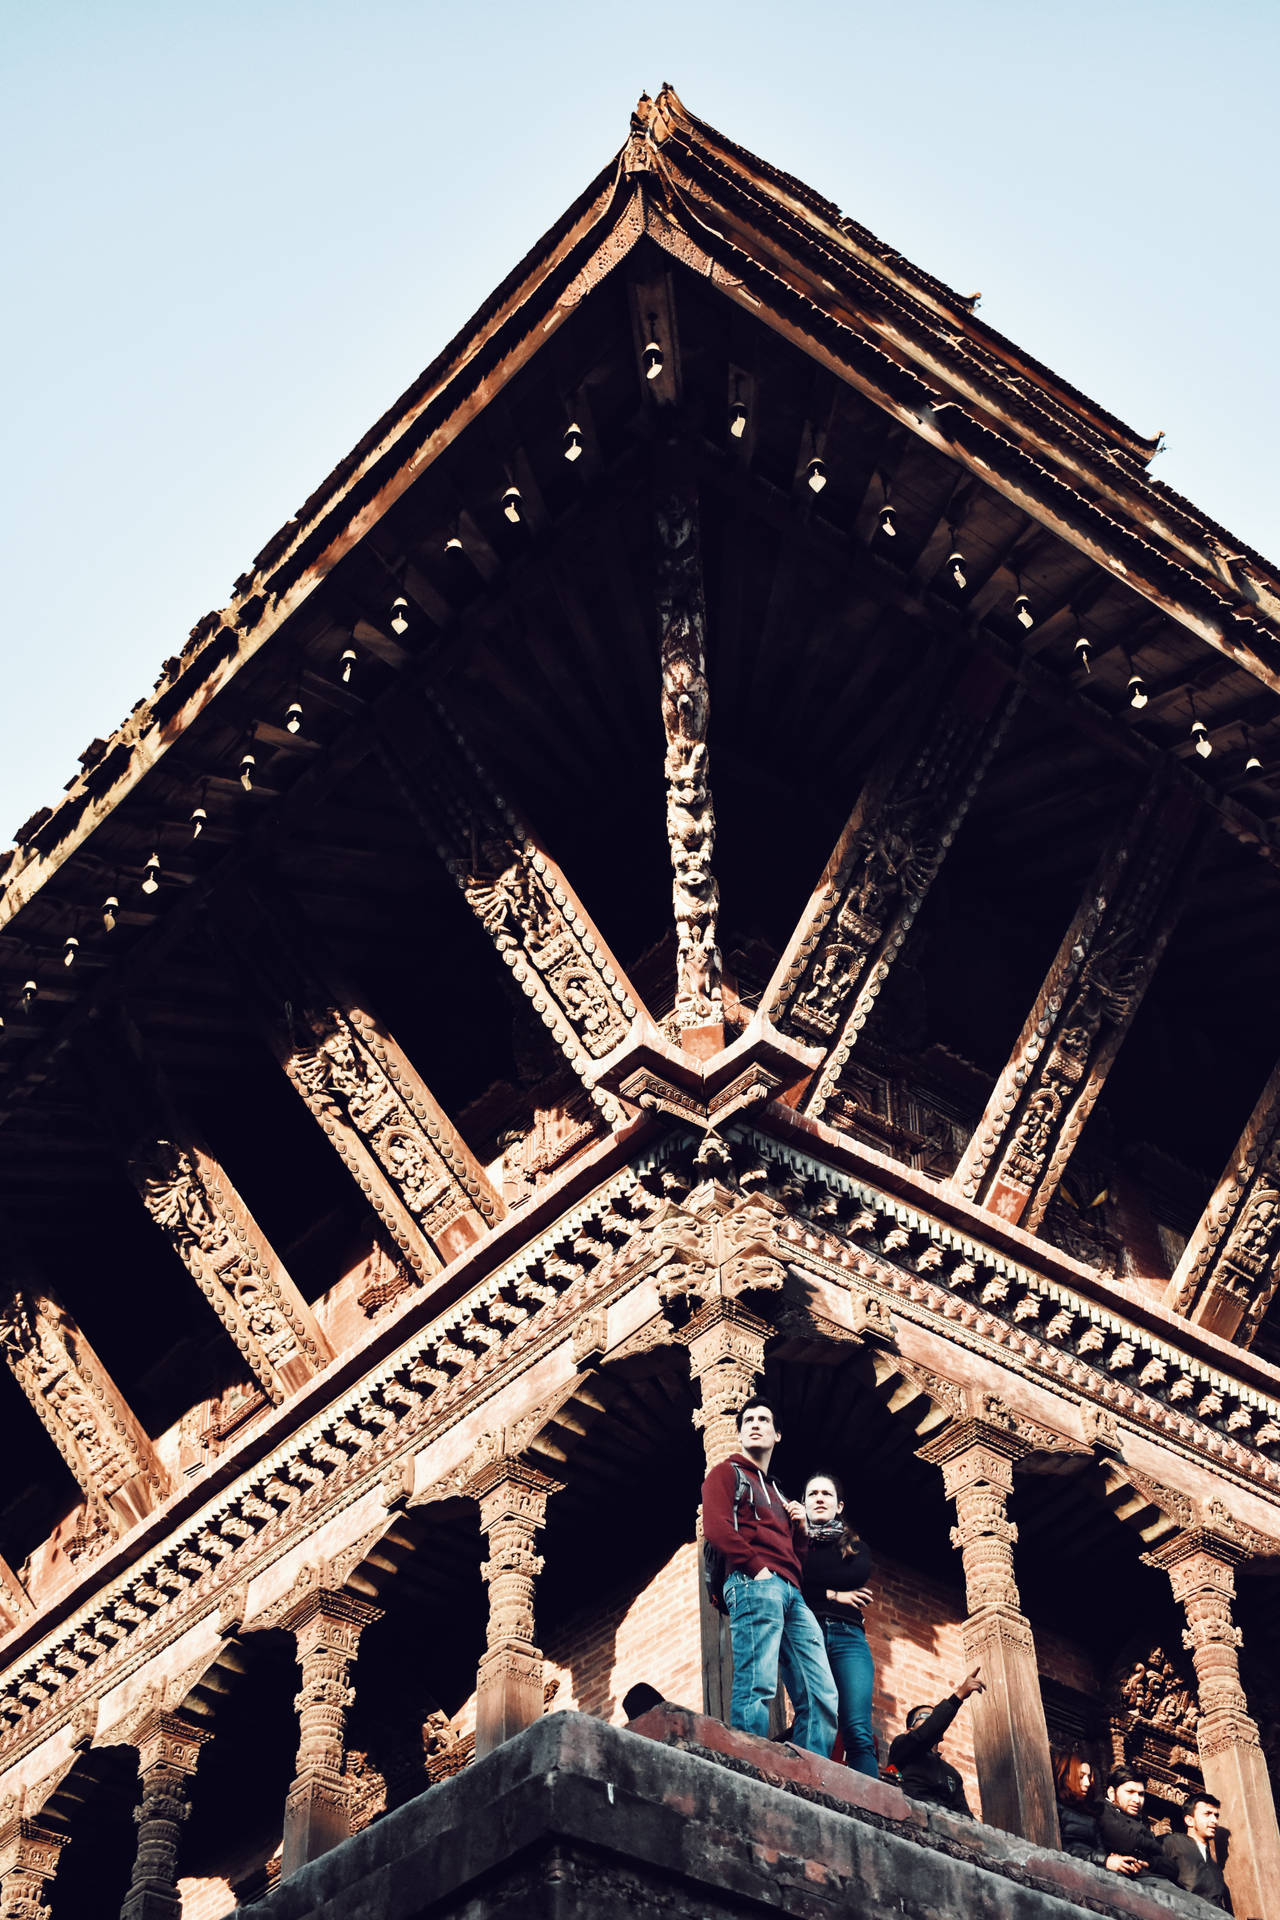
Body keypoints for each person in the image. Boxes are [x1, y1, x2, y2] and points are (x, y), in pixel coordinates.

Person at [701, 1398, 838, 1758]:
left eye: (764, 1419)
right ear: (741, 1433)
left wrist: (801, 1530)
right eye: (748, 1420)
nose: (755, 1424)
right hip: (753, 1583)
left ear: (777, 1434)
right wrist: (756, 1568)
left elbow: (797, 1559)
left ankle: (812, 1773)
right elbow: (715, 1529)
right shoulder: (726, 1473)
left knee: (822, 1691)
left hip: (791, 1591)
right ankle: (751, 1762)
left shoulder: (780, 1493)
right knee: (757, 1682)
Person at [800, 1472, 878, 1777]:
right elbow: (793, 1580)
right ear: (803, 1504)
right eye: (812, 1494)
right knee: (816, 1716)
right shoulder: (794, 1544)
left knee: (857, 1729)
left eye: (826, 1494)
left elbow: (853, 1576)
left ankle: (872, 1809)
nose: (819, 1498)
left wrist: (815, 1587)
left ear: (840, 1506)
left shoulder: (855, 1546)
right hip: (809, 1633)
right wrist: (833, 1594)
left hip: (849, 1638)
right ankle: (812, 1788)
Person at [884, 1668, 984, 1815]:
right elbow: (924, 1735)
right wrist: (959, 1696)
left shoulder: (952, 1774)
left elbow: (964, 1815)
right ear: (909, 1730)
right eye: (925, 1716)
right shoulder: (902, 1748)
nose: (932, 1720)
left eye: (934, 1716)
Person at [1054, 1753, 1144, 1876]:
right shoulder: (1054, 1808)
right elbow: (1058, 1846)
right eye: (1080, 1777)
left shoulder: (1091, 1815)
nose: (1087, 1783)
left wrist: (1114, 1859)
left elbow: (1099, 1848)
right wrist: (1104, 1860)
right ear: (1065, 1776)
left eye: (1088, 1777)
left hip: (1095, 1867)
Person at [1097, 1766, 1177, 1882]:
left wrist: (1149, 1862)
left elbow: (1172, 1869)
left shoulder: (1140, 1820)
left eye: (1141, 1794)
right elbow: (1126, 1840)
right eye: (1130, 1792)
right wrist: (1156, 1848)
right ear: (1111, 1793)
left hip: (1151, 1877)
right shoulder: (1102, 1809)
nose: (1137, 1800)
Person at [1163, 1793, 1233, 1911]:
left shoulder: (1215, 1869)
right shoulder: (1172, 1842)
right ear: (1190, 1820)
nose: (1214, 1820)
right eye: (1207, 1814)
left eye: (1216, 1816)